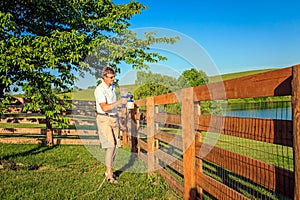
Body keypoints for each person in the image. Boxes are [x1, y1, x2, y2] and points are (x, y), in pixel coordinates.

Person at [94, 66, 126, 184]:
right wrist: (118, 102)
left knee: (116, 145)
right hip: (104, 118)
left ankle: (108, 170)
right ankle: (109, 174)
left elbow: (114, 106)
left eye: (114, 77)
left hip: (113, 118)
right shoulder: (100, 89)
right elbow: (104, 107)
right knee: (111, 145)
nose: (113, 79)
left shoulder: (112, 87)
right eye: (111, 77)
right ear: (104, 77)